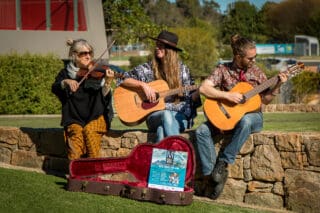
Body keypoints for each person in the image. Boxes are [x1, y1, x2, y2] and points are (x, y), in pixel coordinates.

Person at [195, 34, 288, 199]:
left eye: (255, 57)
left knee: (245, 121)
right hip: (227, 117)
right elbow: (204, 89)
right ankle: (212, 177)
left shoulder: (257, 73)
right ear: (238, 56)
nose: (254, 61)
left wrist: (278, 85)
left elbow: (264, 101)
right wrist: (227, 97)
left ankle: (223, 163)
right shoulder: (223, 70)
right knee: (201, 131)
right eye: (250, 58)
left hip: (253, 117)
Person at [117, 30, 201, 142]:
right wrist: (143, 85)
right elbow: (121, 78)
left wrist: (200, 91)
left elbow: (190, 101)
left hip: (179, 117)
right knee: (166, 115)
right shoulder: (147, 69)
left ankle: (165, 159)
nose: (157, 48)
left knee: (161, 131)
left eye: (161, 46)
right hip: (155, 117)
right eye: (157, 45)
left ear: (170, 50)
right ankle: (179, 154)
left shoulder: (183, 71)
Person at [52, 38, 115, 160]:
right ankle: (75, 174)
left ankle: (94, 172)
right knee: (76, 135)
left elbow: (104, 96)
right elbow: (55, 88)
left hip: (97, 115)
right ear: (74, 55)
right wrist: (66, 82)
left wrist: (107, 82)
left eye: (89, 53)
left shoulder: (97, 73)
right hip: (74, 117)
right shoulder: (65, 73)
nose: (88, 56)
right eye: (83, 53)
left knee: (90, 131)